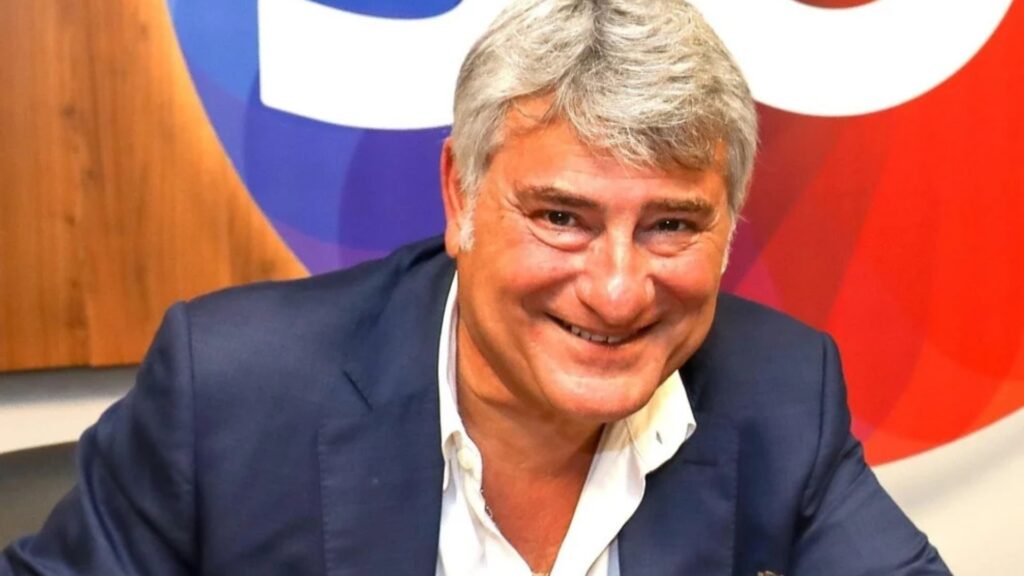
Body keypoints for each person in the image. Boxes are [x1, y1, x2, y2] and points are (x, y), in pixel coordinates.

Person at [2, 1, 949, 574]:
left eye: (672, 225)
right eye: (562, 217)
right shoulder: (231, 391)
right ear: (461, 196)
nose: (619, 291)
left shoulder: (781, 392)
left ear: (730, 223)